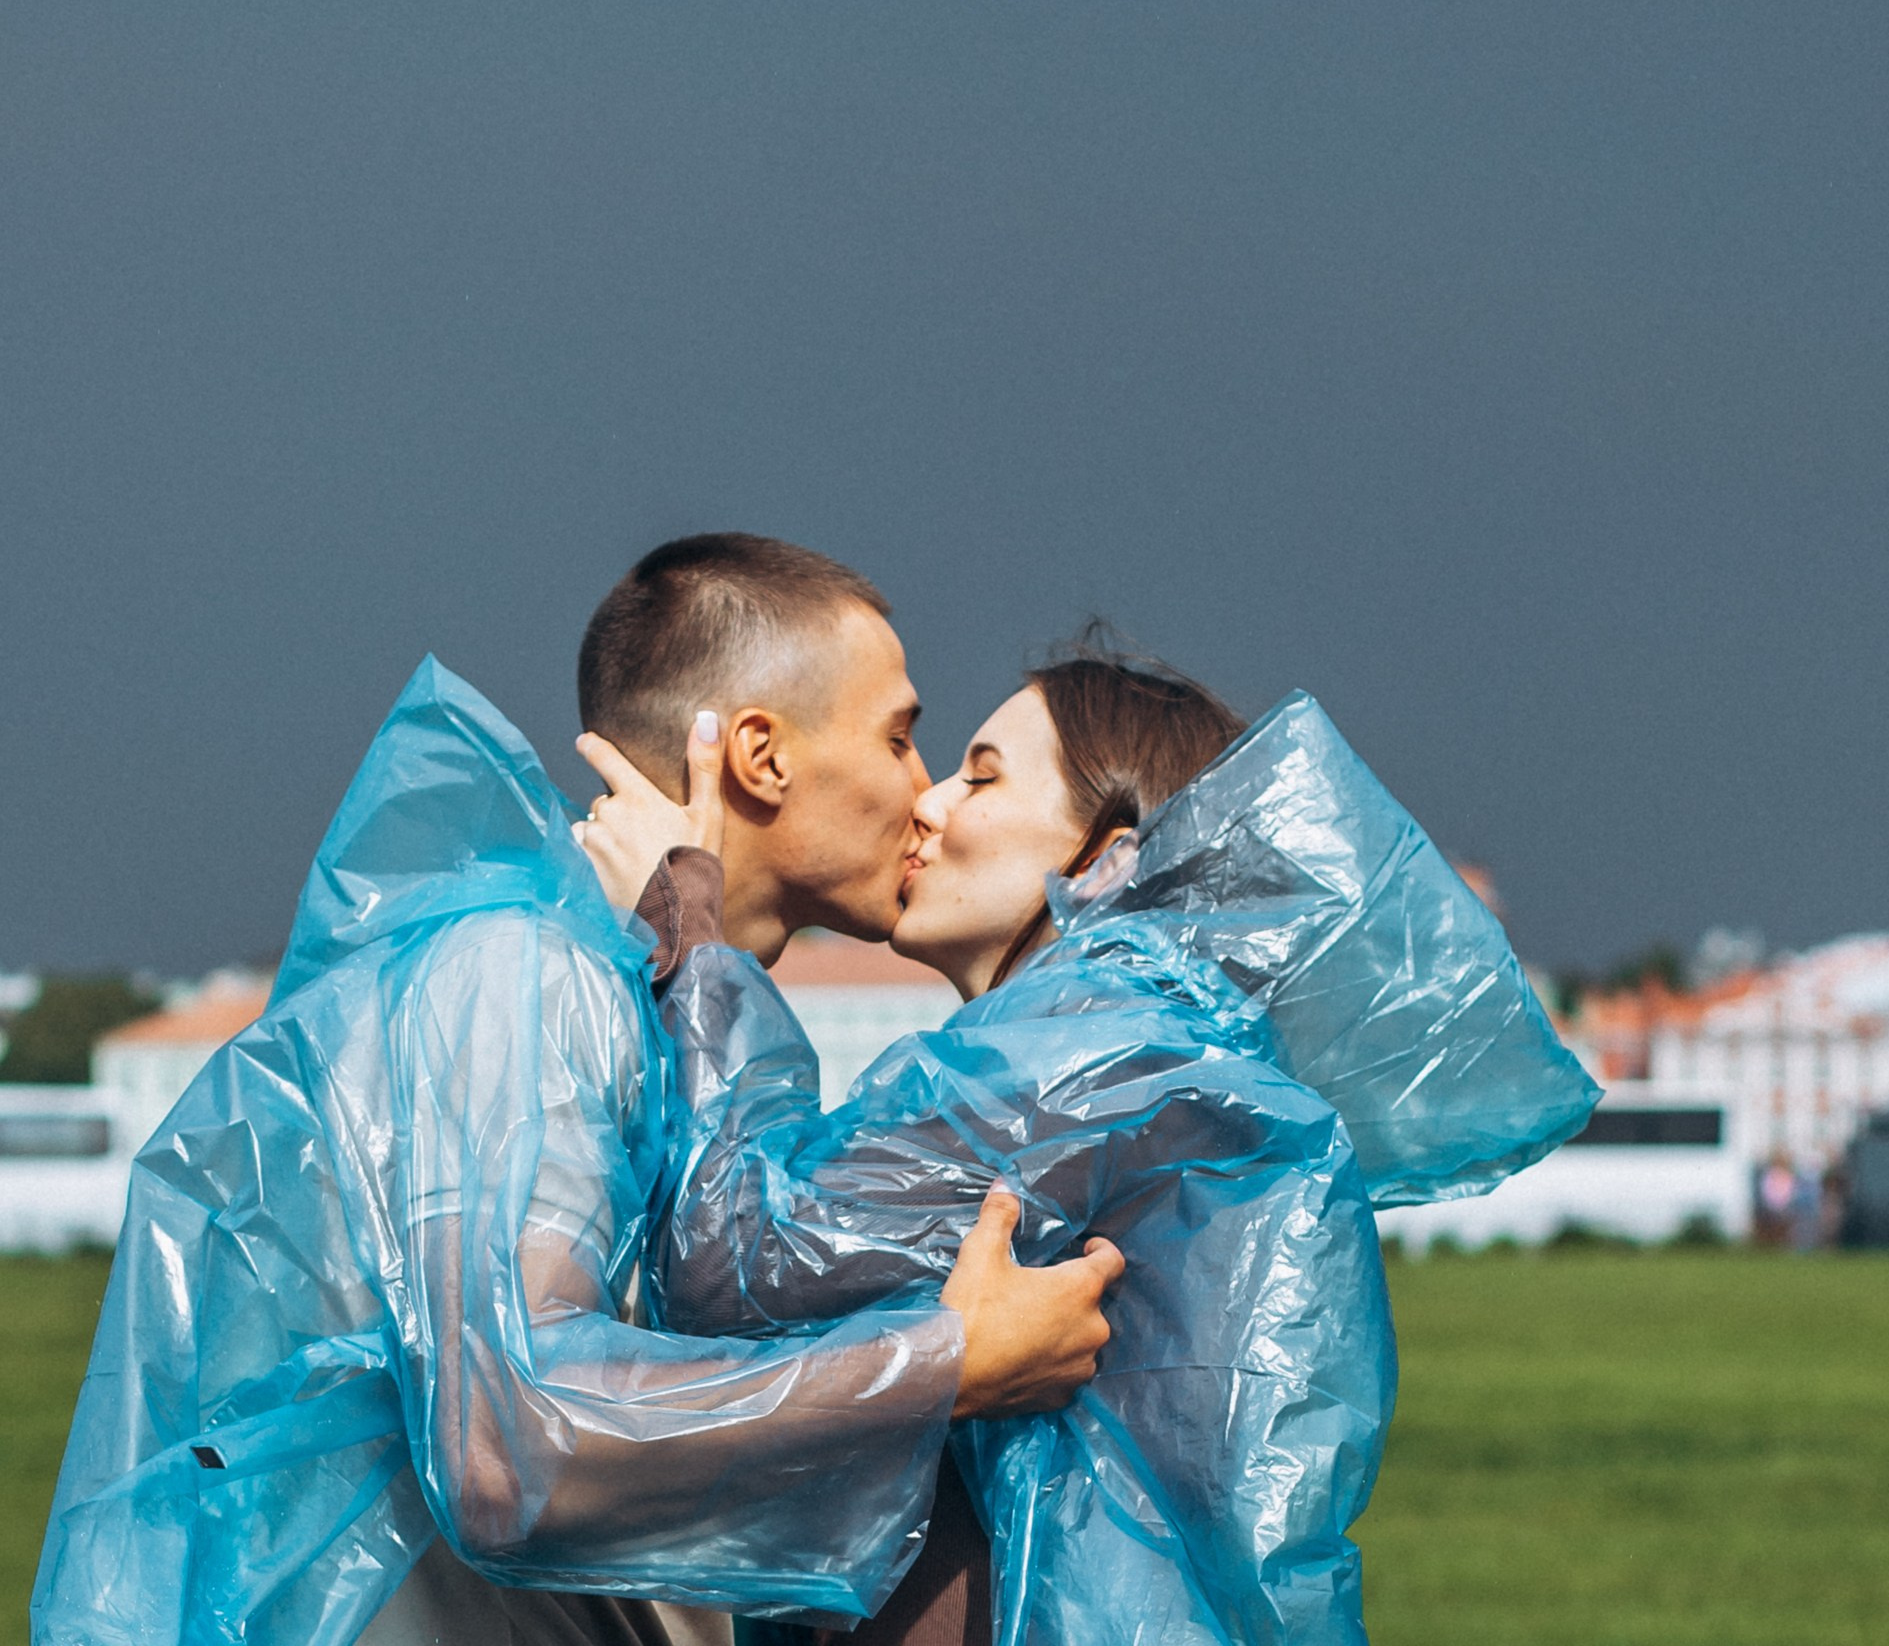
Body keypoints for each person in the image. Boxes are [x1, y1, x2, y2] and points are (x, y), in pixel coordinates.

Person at [34, 537, 1122, 1646]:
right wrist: (944, 1364)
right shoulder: (523, 975)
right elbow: (508, 1445)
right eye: (900, 735)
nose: (924, 789)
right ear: (762, 755)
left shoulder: (634, 1004)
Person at [579, 635, 1600, 1646]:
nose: (927, 804)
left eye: (979, 778)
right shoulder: (1138, 1051)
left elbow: (738, 1263)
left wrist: (691, 932)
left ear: (1109, 863)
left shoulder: (1093, 1050)